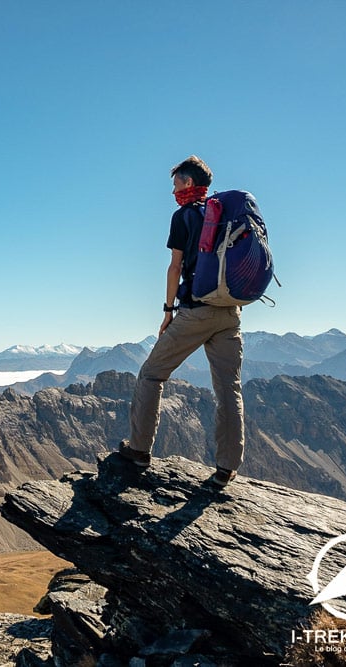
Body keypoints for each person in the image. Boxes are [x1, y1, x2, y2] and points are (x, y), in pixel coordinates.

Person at [117, 155, 244, 487]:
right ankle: (227, 467)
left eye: (175, 183)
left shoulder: (184, 216)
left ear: (189, 183)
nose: (173, 190)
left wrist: (168, 310)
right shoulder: (228, 215)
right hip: (230, 312)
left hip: (195, 310)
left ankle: (139, 450)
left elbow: (175, 267)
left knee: (151, 375)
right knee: (228, 388)